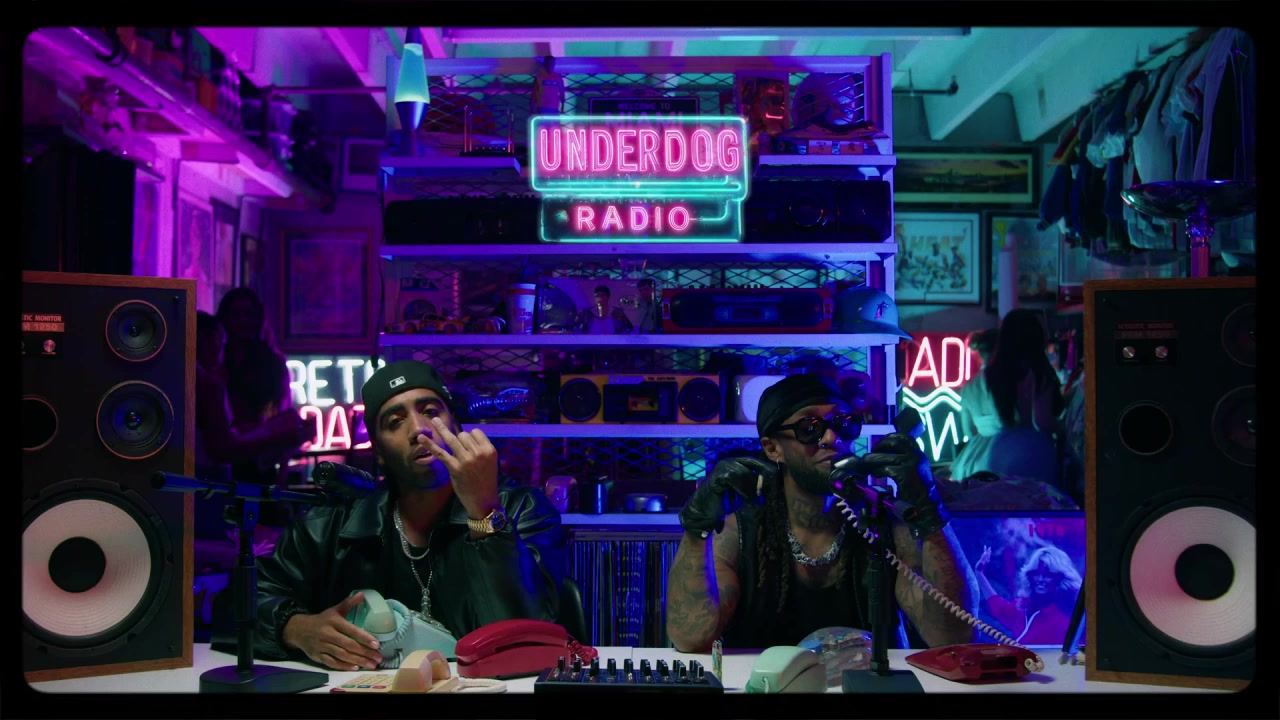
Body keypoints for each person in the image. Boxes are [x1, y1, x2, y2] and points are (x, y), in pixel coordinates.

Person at [253, 360, 566, 671]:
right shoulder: (328, 525)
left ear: (456, 425)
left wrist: (484, 511)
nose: (418, 430)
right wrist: (296, 629)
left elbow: (525, 639)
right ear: (378, 451)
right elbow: (243, 601)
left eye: (430, 411)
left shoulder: (523, 509)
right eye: (395, 422)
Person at [665, 374, 977, 652]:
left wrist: (929, 510)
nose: (831, 438)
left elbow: (953, 636)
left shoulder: (882, 521)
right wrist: (697, 526)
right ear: (773, 448)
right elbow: (690, 638)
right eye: (809, 428)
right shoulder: (742, 531)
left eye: (843, 424)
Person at [193, 311, 312, 539]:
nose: (222, 353)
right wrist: (282, 438)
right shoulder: (210, 385)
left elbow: (207, 435)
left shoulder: (180, 378)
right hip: (209, 481)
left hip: (189, 478)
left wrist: (260, 429)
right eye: (221, 343)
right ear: (205, 339)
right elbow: (222, 450)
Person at [950, 309, 1063, 487]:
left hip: (989, 455)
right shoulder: (1036, 372)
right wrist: (1064, 428)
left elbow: (969, 432)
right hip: (1032, 454)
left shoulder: (983, 378)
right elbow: (1042, 422)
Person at [974, 545, 1081, 646]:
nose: (1040, 579)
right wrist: (979, 573)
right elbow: (1000, 608)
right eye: (1036, 573)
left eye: (1048, 575)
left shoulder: (1069, 613)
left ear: (1060, 577)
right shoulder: (1023, 607)